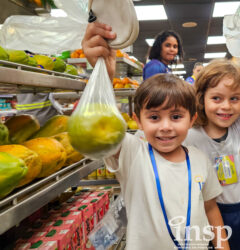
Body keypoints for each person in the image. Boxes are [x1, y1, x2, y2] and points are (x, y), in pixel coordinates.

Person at [82, 23, 230, 250]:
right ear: (138, 121)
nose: (165, 127)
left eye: (176, 116)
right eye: (154, 117)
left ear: (192, 119)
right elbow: (98, 127)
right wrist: (104, 76)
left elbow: (210, 208)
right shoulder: (133, 154)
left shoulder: (200, 160)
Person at [183, 16, 240, 250]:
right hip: (210, 217)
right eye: (216, 98)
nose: (226, 106)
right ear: (201, 99)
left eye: (234, 99)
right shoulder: (191, 136)